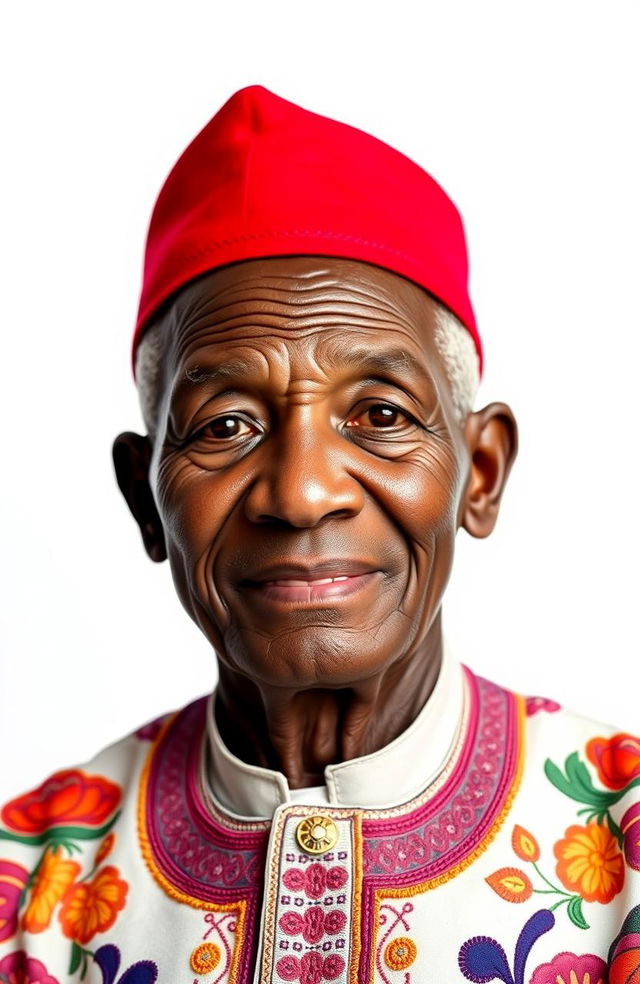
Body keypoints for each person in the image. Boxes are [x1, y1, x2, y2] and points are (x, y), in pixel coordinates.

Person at [0, 85, 638, 984]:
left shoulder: (626, 851)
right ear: (147, 501)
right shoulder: (29, 894)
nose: (300, 494)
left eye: (380, 414)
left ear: (480, 472)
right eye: (224, 425)